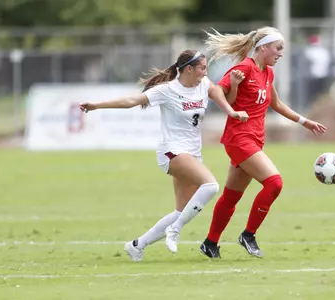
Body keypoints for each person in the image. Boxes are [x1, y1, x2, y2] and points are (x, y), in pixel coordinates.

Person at [79, 49, 249, 261]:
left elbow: (225, 101)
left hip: (193, 153)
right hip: (173, 151)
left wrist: (232, 104)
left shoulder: (204, 85)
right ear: (189, 69)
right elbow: (132, 101)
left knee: (180, 212)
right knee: (211, 186)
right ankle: (175, 230)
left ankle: (137, 245)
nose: (206, 72)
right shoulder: (167, 90)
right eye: (202, 68)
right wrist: (97, 105)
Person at [199, 27, 327, 258]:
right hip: (239, 139)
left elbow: (276, 105)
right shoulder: (244, 68)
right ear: (263, 47)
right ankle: (248, 235)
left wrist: (304, 121)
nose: (280, 53)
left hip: (255, 140)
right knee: (274, 183)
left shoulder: (267, 72)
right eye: (278, 48)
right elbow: (217, 91)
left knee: (232, 196)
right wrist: (232, 107)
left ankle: (210, 243)